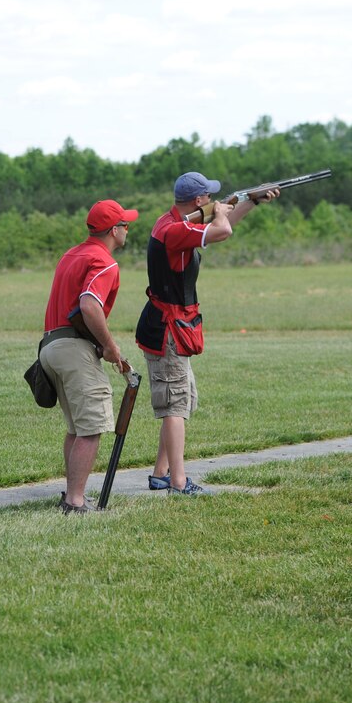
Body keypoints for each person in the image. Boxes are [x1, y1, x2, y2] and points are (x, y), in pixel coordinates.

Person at [135, 172, 277, 495]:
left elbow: (219, 227)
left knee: (181, 400)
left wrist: (251, 201)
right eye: (209, 196)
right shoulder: (175, 230)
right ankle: (178, 482)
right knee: (175, 404)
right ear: (199, 201)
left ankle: (162, 472)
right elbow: (222, 229)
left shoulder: (172, 222)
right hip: (167, 330)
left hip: (171, 326)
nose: (214, 198)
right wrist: (224, 213)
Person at [41, 199, 136, 514]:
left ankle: (71, 494)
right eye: (124, 224)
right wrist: (109, 345)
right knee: (92, 427)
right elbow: (89, 304)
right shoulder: (105, 262)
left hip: (50, 345)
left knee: (76, 428)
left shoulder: (72, 254)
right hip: (73, 349)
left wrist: (103, 344)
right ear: (113, 230)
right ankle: (75, 501)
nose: (127, 228)